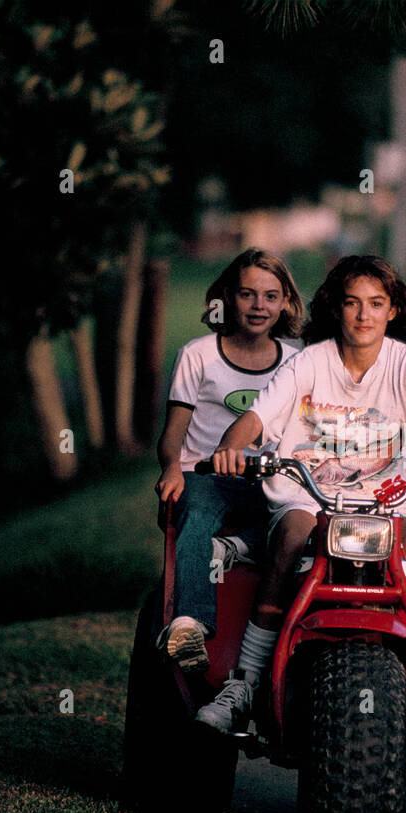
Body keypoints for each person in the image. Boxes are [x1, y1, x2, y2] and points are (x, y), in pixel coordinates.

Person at [199, 255, 406, 758]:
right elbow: (257, 418)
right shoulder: (309, 361)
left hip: (386, 501)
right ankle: (245, 681)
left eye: (375, 304)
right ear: (336, 308)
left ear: (393, 310)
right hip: (309, 493)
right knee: (287, 537)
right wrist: (231, 445)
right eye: (352, 304)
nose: (363, 315)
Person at [155, 249, 304, 672]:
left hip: (270, 479)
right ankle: (189, 624)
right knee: (197, 509)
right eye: (247, 295)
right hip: (206, 475)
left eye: (271, 296)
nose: (259, 306)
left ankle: (234, 548)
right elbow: (173, 434)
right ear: (227, 297)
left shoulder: (296, 359)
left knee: (308, 521)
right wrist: (171, 467)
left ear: (286, 303)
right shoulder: (198, 354)